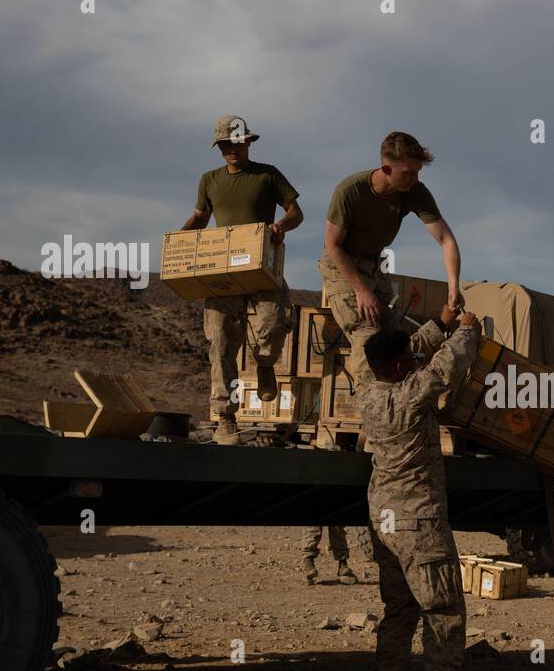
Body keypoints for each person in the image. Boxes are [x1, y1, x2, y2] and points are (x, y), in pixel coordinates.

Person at [359, 302, 486, 671]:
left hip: (385, 517)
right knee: (443, 608)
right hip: (419, 519)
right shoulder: (411, 393)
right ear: (399, 368)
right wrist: (465, 331)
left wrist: (440, 323)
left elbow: (409, 351)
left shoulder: (368, 386)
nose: (415, 362)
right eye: (409, 362)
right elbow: (446, 368)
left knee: (399, 609)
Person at [179, 115, 304, 446]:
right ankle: (225, 419)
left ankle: (264, 363)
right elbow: (200, 218)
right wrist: (179, 242)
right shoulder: (209, 180)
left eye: (236, 143)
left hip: (262, 265)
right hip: (223, 272)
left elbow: (295, 212)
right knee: (220, 342)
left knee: (277, 322)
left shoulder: (267, 175)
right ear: (219, 149)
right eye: (224, 145)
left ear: (247, 143)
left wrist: (280, 227)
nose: (231, 150)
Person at [321, 131, 463, 392]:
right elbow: (332, 245)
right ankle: (375, 418)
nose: (415, 179)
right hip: (343, 266)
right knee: (370, 344)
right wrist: (361, 290)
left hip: (376, 264)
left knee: (396, 346)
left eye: (418, 172)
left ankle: (395, 411)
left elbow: (446, 240)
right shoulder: (350, 191)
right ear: (386, 168)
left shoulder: (414, 191)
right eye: (409, 172)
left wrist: (453, 287)